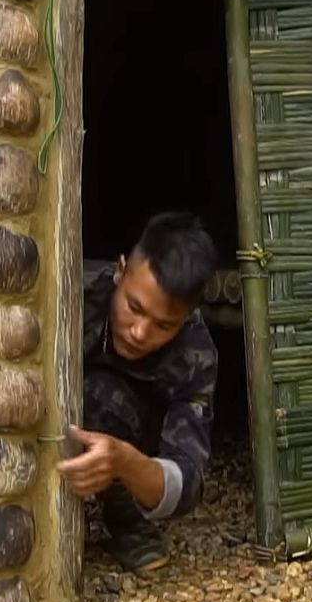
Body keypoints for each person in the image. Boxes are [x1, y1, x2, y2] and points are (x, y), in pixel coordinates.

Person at [58, 212, 219, 575]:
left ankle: (127, 520)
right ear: (121, 269)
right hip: (54, 425)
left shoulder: (196, 355)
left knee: (107, 398)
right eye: (134, 307)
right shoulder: (72, 292)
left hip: (135, 447)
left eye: (164, 325)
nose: (140, 333)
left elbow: (187, 480)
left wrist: (125, 462)